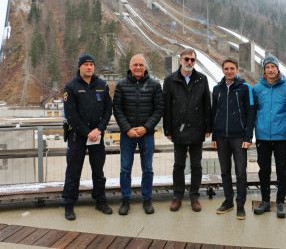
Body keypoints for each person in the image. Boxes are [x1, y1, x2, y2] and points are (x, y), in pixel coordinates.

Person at [61, 54, 113, 221]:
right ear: (80, 67)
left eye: (91, 64)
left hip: (97, 136)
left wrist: (99, 129)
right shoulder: (71, 86)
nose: (89, 67)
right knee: (73, 172)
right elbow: (71, 115)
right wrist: (86, 131)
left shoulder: (102, 85)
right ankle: (68, 205)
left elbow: (108, 110)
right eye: (86, 65)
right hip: (77, 136)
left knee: (98, 171)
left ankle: (100, 201)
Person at [113, 54, 164, 215]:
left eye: (141, 65)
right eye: (135, 64)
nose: (138, 67)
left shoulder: (155, 85)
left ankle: (147, 199)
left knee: (147, 168)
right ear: (130, 66)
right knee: (125, 169)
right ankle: (125, 200)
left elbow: (159, 109)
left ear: (145, 67)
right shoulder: (121, 85)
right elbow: (117, 109)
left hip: (146, 134)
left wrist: (145, 127)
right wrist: (127, 128)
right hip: (127, 133)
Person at [163, 48, 212, 212]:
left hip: (197, 129)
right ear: (180, 60)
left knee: (196, 165)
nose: (189, 62)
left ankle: (195, 196)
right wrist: (167, 129)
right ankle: (177, 196)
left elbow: (207, 104)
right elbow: (167, 107)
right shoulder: (170, 80)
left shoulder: (202, 79)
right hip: (178, 130)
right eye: (187, 59)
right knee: (178, 165)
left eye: (192, 60)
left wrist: (208, 127)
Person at [252, 55, 286, 218]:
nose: (270, 70)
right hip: (262, 137)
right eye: (267, 67)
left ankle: (280, 202)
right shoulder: (257, 88)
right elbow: (254, 110)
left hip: (281, 137)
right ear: (264, 70)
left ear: (278, 69)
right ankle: (265, 201)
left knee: (282, 170)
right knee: (263, 170)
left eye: (273, 67)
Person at [211, 57, 255, 220]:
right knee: (225, 172)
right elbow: (214, 113)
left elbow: (251, 112)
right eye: (226, 68)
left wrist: (248, 136)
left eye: (232, 68)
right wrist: (214, 135)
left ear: (237, 70)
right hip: (222, 137)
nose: (229, 71)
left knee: (241, 173)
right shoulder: (216, 88)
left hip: (239, 137)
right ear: (222, 70)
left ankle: (241, 205)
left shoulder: (245, 88)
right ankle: (228, 201)